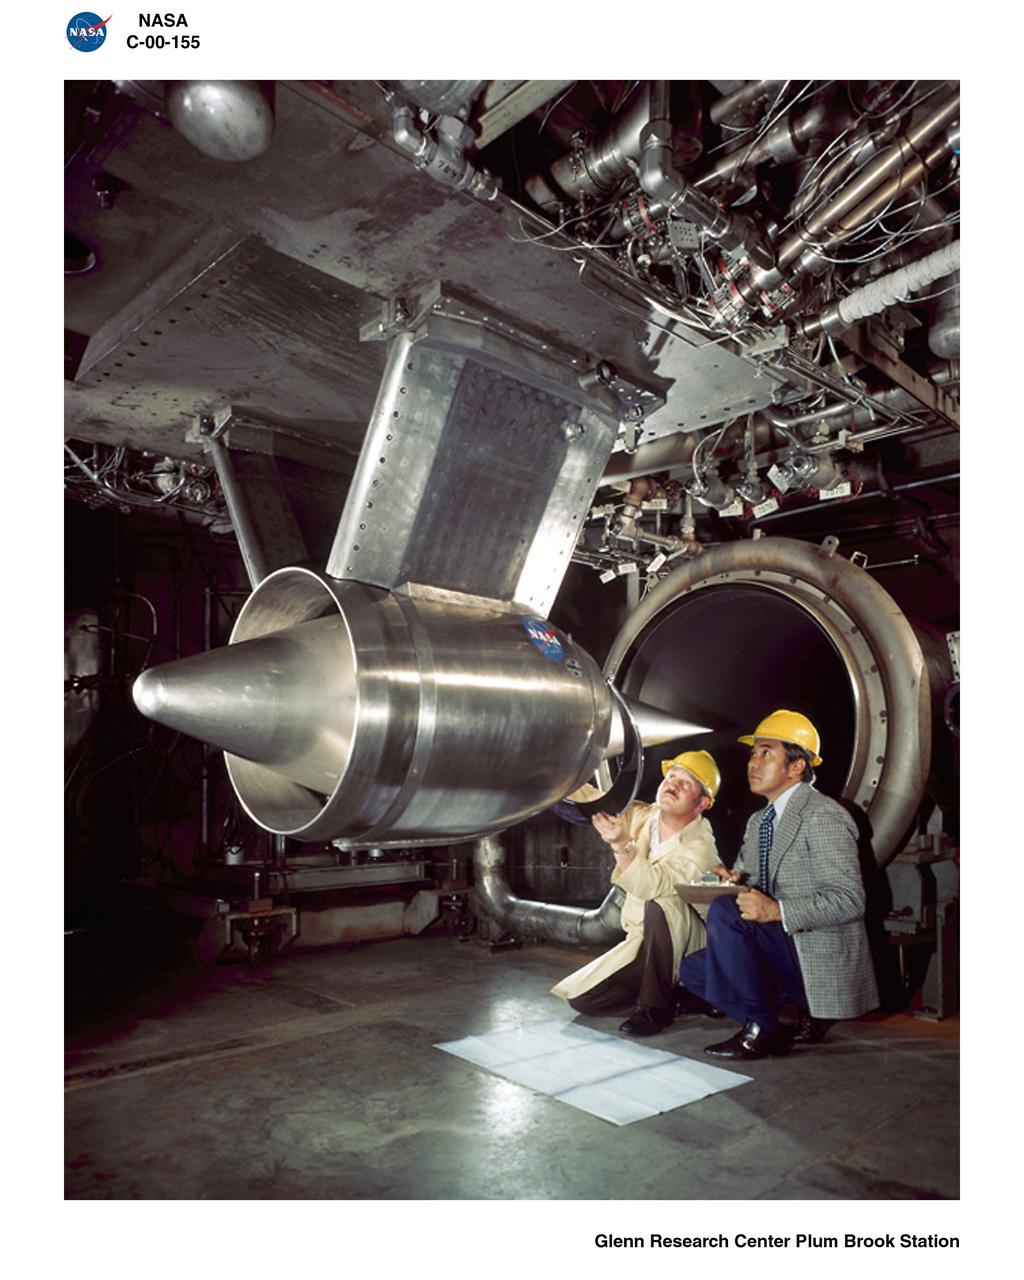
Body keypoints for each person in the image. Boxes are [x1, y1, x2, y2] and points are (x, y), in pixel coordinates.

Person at [678, 710, 879, 1060]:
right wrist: (731, 881)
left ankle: (764, 1028)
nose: (753, 763)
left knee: (727, 912)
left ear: (797, 766)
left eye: (766, 752)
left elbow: (850, 900)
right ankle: (783, 1018)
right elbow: (748, 880)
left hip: (810, 948)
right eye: (753, 754)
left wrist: (776, 910)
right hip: (776, 946)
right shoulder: (759, 821)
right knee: (693, 971)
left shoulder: (823, 815)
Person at [551, 750, 721, 1037]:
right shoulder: (645, 816)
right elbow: (596, 801)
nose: (673, 784)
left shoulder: (701, 847)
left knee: (660, 900)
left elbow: (653, 885)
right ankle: (678, 996)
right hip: (644, 940)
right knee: (584, 999)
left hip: (690, 943)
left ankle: (656, 1008)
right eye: (671, 776)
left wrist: (622, 845)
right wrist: (554, 772)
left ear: (702, 803)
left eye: (687, 784)